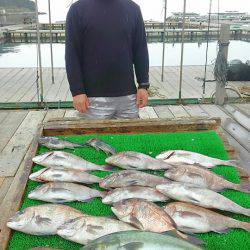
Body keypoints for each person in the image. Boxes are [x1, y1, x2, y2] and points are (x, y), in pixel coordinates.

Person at [65, 0, 150, 119]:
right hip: (92, 100)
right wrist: (77, 91)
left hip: (128, 98)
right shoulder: (77, 10)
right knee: (93, 138)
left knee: (129, 138)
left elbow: (140, 50)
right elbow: (72, 55)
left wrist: (143, 85)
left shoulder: (133, 9)